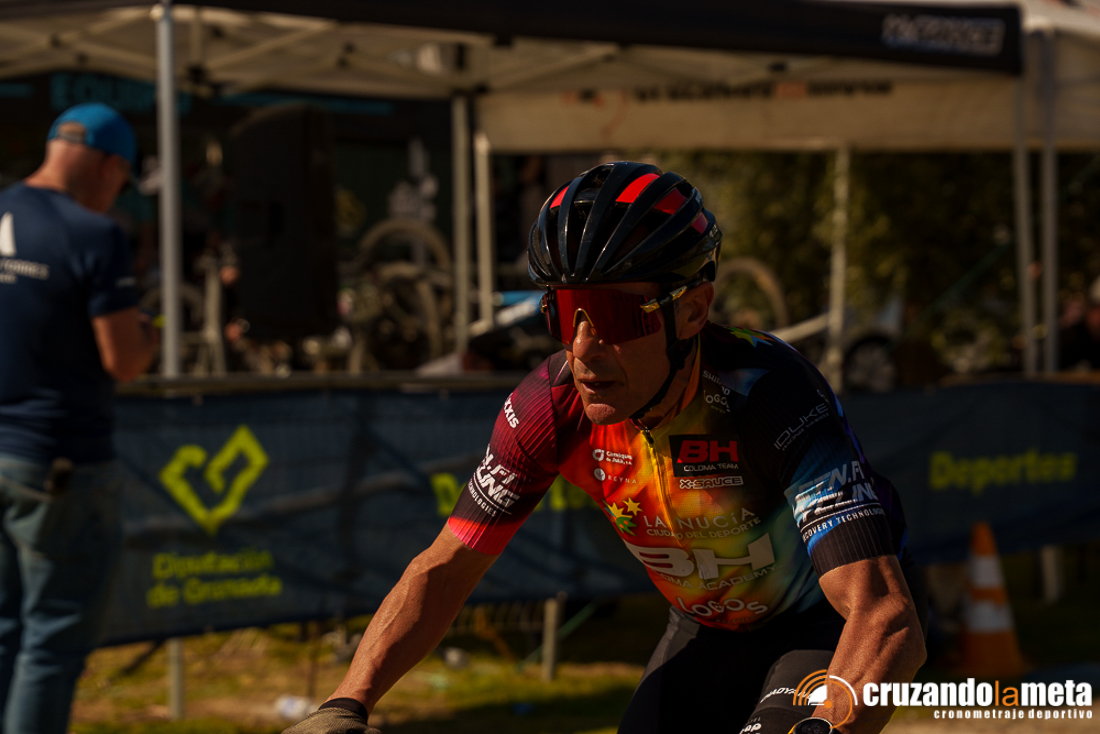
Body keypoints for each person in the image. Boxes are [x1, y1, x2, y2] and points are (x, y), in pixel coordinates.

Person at [286, 162, 927, 734]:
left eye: (615, 316)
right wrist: (346, 704)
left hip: (819, 623)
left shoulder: (768, 394)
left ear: (693, 311)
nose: (583, 349)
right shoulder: (550, 408)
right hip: (705, 627)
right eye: (564, 313)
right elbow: (445, 568)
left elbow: (885, 616)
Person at [0, 102, 158, 734]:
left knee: (5, 631)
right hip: (58, 462)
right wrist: (147, 333)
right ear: (110, 166)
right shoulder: (94, 234)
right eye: (122, 181)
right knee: (53, 644)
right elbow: (123, 360)